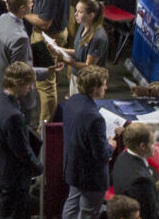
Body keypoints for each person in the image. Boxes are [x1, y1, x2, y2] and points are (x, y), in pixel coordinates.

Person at [0, 62, 40, 219]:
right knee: (15, 212)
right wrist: (38, 167)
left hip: (1, 169)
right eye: (29, 84)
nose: (31, 89)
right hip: (14, 176)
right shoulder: (13, 115)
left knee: (7, 209)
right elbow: (22, 151)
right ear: (19, 83)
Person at [60, 66, 111, 219]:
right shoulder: (95, 118)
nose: (106, 87)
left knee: (71, 205)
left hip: (73, 167)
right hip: (91, 176)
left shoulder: (72, 101)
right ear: (95, 88)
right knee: (89, 213)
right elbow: (101, 154)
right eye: (104, 84)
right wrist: (111, 145)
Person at [110, 123, 159, 219]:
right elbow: (149, 215)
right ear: (142, 146)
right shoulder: (142, 180)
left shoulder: (122, 157)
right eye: (153, 143)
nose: (156, 145)